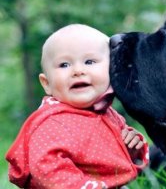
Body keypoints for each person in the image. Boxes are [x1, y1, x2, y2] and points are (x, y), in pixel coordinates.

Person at [5, 24, 149, 188]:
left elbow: (116, 162)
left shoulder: (109, 115)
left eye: (89, 61)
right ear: (47, 83)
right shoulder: (52, 123)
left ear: (111, 70)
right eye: (64, 65)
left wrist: (131, 149)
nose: (78, 70)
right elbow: (45, 167)